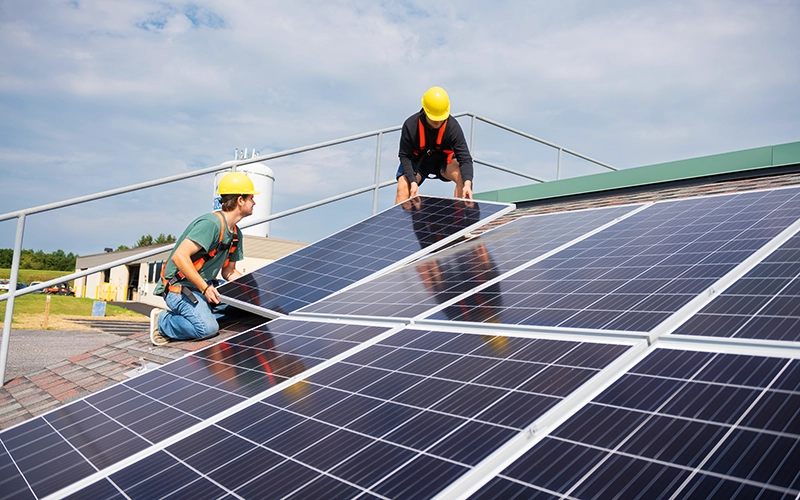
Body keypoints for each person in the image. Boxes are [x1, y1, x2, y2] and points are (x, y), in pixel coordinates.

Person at [149, 171, 258, 346]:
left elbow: (229, 272)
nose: (254, 202)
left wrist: (253, 289)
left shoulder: (236, 234)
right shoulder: (211, 224)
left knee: (247, 307)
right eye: (251, 198)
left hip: (203, 288)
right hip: (180, 288)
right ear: (240, 200)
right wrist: (205, 288)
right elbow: (179, 256)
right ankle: (163, 322)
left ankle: (201, 312)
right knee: (207, 329)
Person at [395, 86, 474, 204]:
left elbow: (465, 159)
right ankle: (400, 221)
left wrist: (467, 184)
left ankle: (461, 219)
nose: (438, 121)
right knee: (402, 186)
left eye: (441, 118)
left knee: (463, 177)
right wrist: (412, 182)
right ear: (425, 111)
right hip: (418, 163)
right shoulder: (410, 125)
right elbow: (404, 156)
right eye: (434, 118)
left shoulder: (453, 127)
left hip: (443, 163)